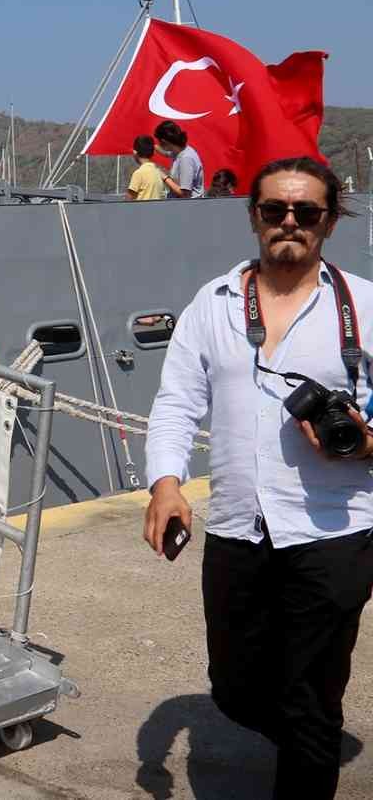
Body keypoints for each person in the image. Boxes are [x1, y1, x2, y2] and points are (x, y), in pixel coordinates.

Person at [143, 156, 373, 800]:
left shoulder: (364, 306)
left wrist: (367, 443)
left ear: (330, 221)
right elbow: (177, 403)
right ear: (254, 217)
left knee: (310, 697)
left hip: (335, 529)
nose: (290, 222)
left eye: (307, 212)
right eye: (275, 209)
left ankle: (310, 741)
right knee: (234, 688)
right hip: (239, 528)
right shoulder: (213, 304)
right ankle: (308, 737)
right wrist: (166, 483)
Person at [155, 119, 205, 198]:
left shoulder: (186, 159)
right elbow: (166, 153)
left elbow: (185, 194)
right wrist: (152, 146)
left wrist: (164, 177)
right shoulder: (179, 151)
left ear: (164, 142)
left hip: (188, 204)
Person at [125, 134, 167, 201]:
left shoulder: (138, 174)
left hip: (142, 208)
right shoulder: (158, 173)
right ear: (153, 152)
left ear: (135, 152)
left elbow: (128, 199)